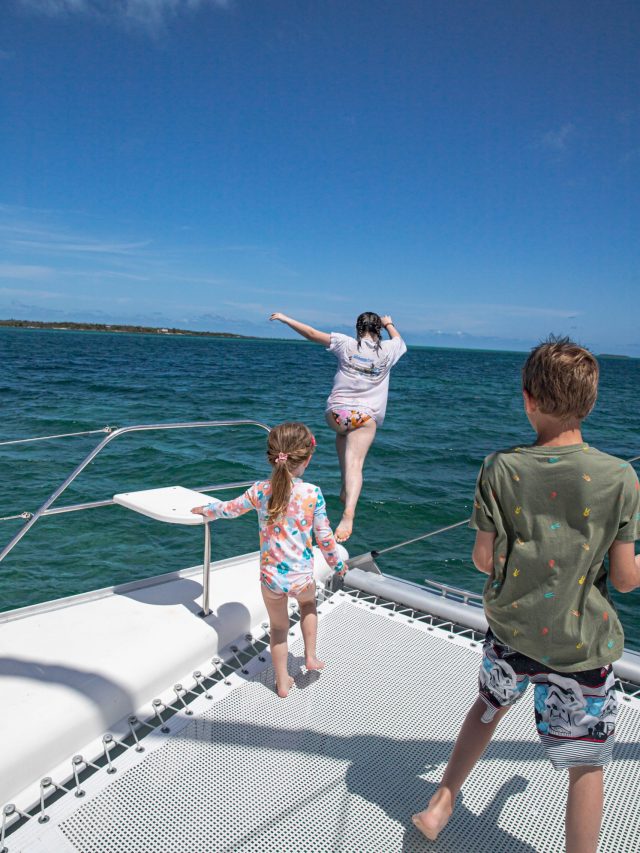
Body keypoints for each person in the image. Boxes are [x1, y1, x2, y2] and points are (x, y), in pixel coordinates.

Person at [412, 336, 640, 851]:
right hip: (581, 645)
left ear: (528, 399)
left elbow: (482, 560)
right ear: (592, 402)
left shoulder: (499, 468)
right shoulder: (622, 478)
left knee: (488, 707)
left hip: (511, 633)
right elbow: (625, 579)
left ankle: (441, 801)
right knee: (584, 761)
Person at [191, 422, 346, 698]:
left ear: (272, 456)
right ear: (307, 459)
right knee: (308, 605)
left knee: (278, 628)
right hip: (301, 579)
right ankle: (310, 657)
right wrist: (338, 565)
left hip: (271, 580)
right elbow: (325, 538)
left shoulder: (260, 490)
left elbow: (229, 510)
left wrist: (207, 509)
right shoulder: (312, 493)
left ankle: (282, 682)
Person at [269, 311, 407, 542]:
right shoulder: (391, 350)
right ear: (379, 330)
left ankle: (345, 488)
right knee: (356, 463)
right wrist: (390, 323)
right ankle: (348, 514)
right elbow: (399, 340)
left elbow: (312, 334)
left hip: (336, 415)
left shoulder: (346, 343)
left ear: (358, 328)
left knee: (343, 437)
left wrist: (286, 318)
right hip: (364, 417)